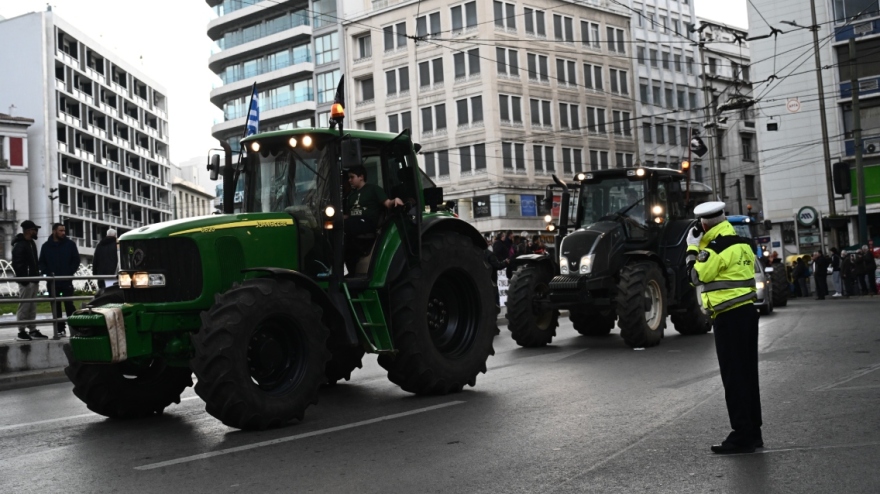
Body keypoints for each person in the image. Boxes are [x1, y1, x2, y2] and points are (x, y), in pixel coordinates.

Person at [685, 201, 762, 454]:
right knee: (748, 374)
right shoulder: (744, 244)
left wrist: (692, 249)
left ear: (704, 224)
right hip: (748, 313)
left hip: (728, 316)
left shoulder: (715, 249)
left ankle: (742, 435)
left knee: (734, 377)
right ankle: (754, 430)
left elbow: (695, 277)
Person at [342, 165, 403, 271]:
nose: (349, 180)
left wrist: (395, 200)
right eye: (349, 178)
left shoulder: (373, 189)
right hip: (352, 222)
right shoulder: (351, 196)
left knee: (346, 226)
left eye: (352, 177)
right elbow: (348, 215)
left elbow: (388, 203)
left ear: (361, 177)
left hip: (367, 222)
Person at [38, 223, 81, 339]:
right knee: (55, 306)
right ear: (54, 231)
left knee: (69, 305)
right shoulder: (46, 246)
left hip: (66, 280)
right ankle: (60, 329)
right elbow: (41, 262)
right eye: (61, 231)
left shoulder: (70, 245)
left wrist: (70, 272)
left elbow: (76, 260)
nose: (63, 233)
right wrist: (47, 273)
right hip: (52, 282)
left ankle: (75, 328)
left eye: (64, 230)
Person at [11, 220, 49, 341]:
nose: (36, 232)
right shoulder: (20, 244)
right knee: (25, 305)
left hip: (33, 279)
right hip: (27, 280)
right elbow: (17, 264)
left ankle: (32, 329)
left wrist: (36, 276)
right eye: (34, 230)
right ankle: (21, 331)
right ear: (28, 231)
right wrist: (25, 280)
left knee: (32, 306)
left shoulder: (31, 243)